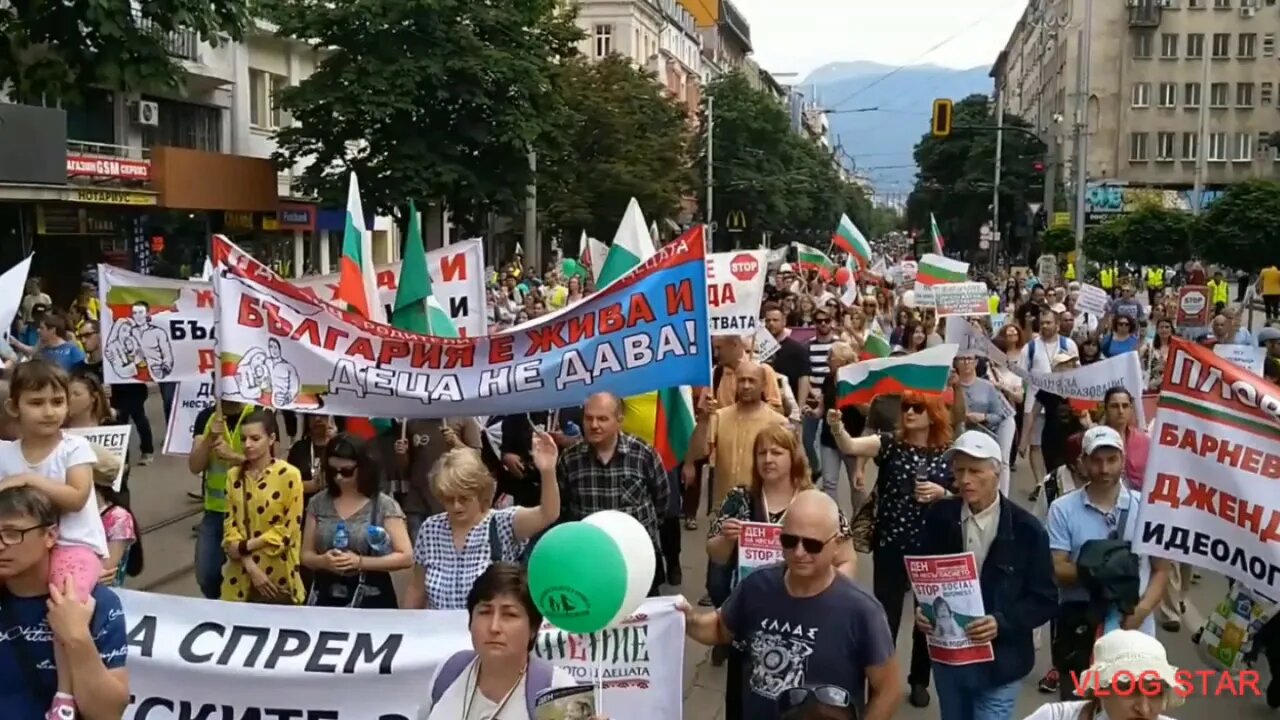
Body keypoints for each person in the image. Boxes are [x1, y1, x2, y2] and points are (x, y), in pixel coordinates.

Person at [680, 490, 901, 720]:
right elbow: (721, 628)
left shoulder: (862, 611)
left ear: (836, 544)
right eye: (789, 540)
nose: (799, 552)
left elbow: (888, 690)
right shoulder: (757, 585)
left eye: (812, 545)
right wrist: (687, 619)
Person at [916, 430, 1058, 720]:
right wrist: (922, 611)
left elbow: (1045, 599)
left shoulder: (1027, 530)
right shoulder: (940, 517)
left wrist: (1000, 623)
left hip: (1002, 664)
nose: (965, 479)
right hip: (950, 659)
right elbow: (924, 578)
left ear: (997, 472)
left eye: (975, 471)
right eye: (960, 470)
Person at [0, 360, 111, 720]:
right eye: (37, 402)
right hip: (21, 548)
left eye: (57, 401)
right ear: (14, 406)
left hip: (74, 546)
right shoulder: (6, 454)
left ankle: (65, 693)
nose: (50, 411)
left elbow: (77, 496)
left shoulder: (74, 448)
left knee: (67, 607)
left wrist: (27, 482)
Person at [828, 391, 953, 708]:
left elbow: (969, 492)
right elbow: (851, 446)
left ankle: (919, 680)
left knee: (928, 617)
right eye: (906, 407)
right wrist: (837, 427)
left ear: (933, 413)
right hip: (892, 545)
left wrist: (943, 492)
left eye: (917, 407)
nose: (909, 412)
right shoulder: (890, 443)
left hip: (932, 548)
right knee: (885, 618)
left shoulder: (948, 453)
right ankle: (880, 685)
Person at [1047, 426, 1170, 700]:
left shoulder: (1147, 509)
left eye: (1111, 460)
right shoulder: (1062, 509)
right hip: (1081, 629)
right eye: (1097, 460)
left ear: (1123, 461)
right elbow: (1056, 567)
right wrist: (1097, 572)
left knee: (1133, 708)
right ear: (1083, 462)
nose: (1104, 469)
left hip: (1135, 631)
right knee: (1079, 707)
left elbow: (1161, 569)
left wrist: (1142, 610)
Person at [0, 484, 130, 719]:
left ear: (50, 536)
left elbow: (107, 713)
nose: (0, 545)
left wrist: (77, 637)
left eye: (12, 534)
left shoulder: (96, 603)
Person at [407, 439, 559, 610]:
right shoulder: (430, 529)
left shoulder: (503, 523)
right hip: (438, 632)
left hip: (488, 631)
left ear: (480, 492)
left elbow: (548, 513)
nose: (456, 506)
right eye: (449, 499)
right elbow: (417, 589)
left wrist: (547, 471)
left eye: (464, 498)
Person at [422, 563, 575, 720]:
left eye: (509, 615)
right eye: (485, 612)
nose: (494, 627)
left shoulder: (557, 689)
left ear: (533, 628)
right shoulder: (449, 671)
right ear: (470, 622)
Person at [557, 393, 669, 593]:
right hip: (590, 561)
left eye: (602, 419)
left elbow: (661, 499)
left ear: (619, 421)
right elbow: (563, 508)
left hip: (638, 559)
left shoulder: (643, 454)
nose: (594, 425)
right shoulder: (569, 460)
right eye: (588, 418)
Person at [302, 433, 412, 608]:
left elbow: (405, 556)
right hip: (326, 595)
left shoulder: (383, 505)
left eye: (346, 471)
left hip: (372, 596)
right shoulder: (318, 503)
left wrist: (360, 562)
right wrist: (323, 561)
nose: (339, 477)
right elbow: (306, 555)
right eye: (333, 471)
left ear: (363, 468)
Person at [221, 410, 305, 604]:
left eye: (255, 438)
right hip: (241, 578)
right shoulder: (234, 476)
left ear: (271, 439)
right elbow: (230, 524)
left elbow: (288, 530)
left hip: (278, 576)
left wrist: (244, 547)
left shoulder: (289, 475)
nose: (247, 445)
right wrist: (250, 566)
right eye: (243, 439)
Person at [1023, 630, 1181, 720]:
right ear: (1100, 689)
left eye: (1155, 692)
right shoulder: (1056, 717)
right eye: (1128, 689)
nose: (1144, 709)